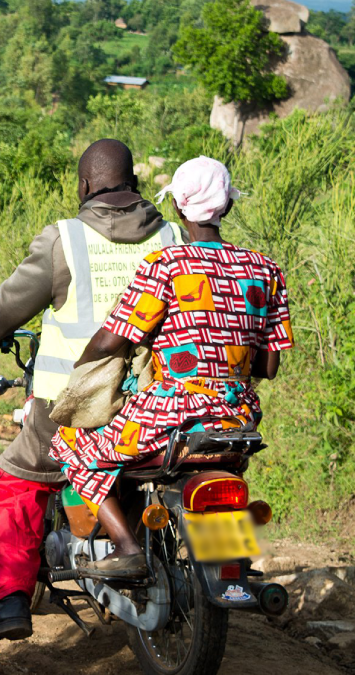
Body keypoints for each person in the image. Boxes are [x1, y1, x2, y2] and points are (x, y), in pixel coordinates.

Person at [0, 139, 184, 652]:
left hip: (73, 409)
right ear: (136, 185)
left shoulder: (66, 240)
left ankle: (9, 601)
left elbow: (11, 303)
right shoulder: (174, 235)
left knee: (6, 489)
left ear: (83, 187)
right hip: (160, 405)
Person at [49, 156, 293, 577]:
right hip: (238, 416)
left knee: (71, 445)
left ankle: (126, 546)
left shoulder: (166, 266)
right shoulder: (266, 270)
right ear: (228, 207)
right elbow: (268, 367)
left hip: (172, 414)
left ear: (178, 209)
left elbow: (115, 337)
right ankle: (229, 556)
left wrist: (83, 365)